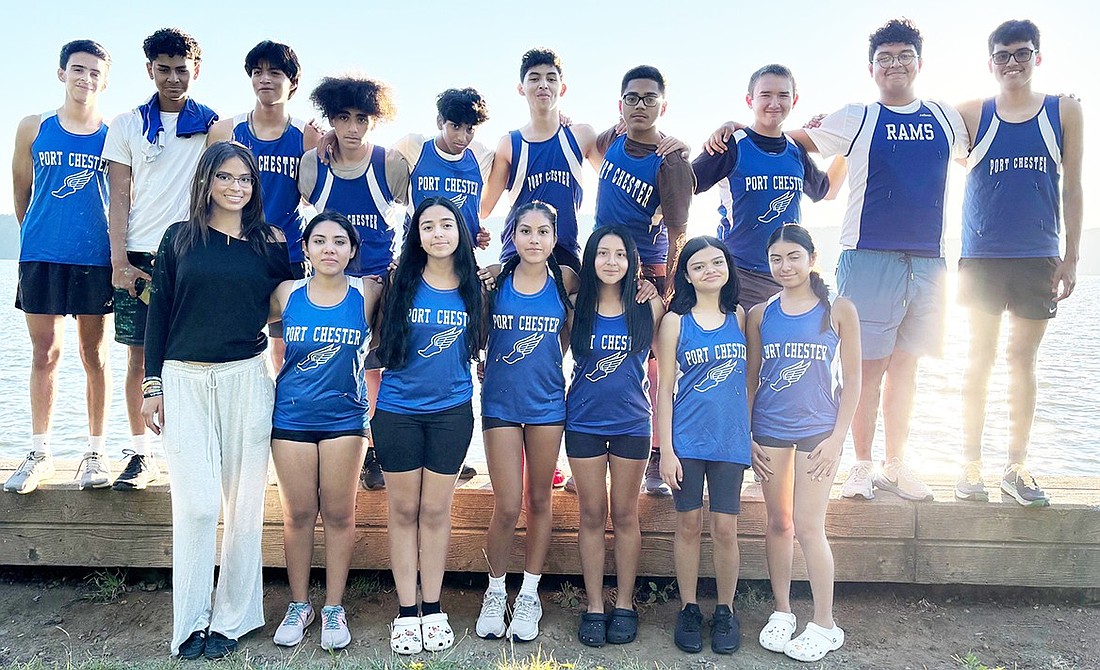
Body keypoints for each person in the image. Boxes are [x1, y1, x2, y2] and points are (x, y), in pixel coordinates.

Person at [788, 19, 969, 501]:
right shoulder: (857, 116)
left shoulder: (946, 117)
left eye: (903, 55)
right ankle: (862, 465)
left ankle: (896, 463)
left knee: (907, 368)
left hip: (929, 262)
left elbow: (985, 135)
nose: (894, 64)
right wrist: (734, 131)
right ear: (872, 68)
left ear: (920, 63)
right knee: (865, 369)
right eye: (885, 57)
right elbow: (788, 139)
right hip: (867, 258)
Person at [140, 141, 293, 660]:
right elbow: (158, 313)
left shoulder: (269, 243)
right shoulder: (179, 239)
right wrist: (151, 384)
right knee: (200, 505)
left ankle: (233, 617)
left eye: (245, 178)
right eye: (225, 177)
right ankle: (191, 620)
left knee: (245, 505)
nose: (235, 186)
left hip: (247, 378)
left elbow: (289, 302)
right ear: (205, 180)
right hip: (184, 379)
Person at [954, 20, 1083, 507]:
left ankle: (1016, 465)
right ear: (990, 63)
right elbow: (912, 122)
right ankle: (969, 464)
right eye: (1003, 55)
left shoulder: (1064, 111)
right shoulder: (970, 113)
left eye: (1022, 54)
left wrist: (1071, 256)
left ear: (1037, 57)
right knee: (978, 360)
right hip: (982, 257)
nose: (1012, 63)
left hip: (1038, 257)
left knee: (1021, 361)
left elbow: (1072, 188)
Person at [104, 27, 217, 491]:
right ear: (150, 69)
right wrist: (118, 262)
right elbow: (118, 197)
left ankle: (197, 453)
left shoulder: (213, 125)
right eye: (164, 69)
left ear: (196, 70)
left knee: (195, 358)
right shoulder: (127, 124)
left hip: (194, 254)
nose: (173, 78)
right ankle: (139, 454)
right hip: (140, 256)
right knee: (139, 357)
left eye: (182, 70)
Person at [372, 197, 483, 654]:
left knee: (436, 512)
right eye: (427, 226)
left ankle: (433, 606)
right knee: (402, 512)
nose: (438, 233)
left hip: (451, 413)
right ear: (416, 235)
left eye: (446, 225)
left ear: (460, 232)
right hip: (397, 411)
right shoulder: (399, 282)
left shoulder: (476, 286)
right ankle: (405, 610)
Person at [747, 225, 860, 662]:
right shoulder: (760, 314)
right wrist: (747, 433)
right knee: (778, 522)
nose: (785, 266)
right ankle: (782, 611)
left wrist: (837, 440)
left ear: (812, 258)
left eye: (793, 256)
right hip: (770, 429)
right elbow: (752, 379)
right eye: (776, 258)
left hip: (819, 431)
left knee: (811, 526)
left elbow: (853, 383)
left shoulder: (838, 310)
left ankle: (826, 624)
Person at [268, 212, 381, 650]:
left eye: (339, 241)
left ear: (352, 249)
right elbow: (236, 312)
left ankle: (334, 607)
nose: (329, 248)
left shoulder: (366, 292)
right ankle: (300, 604)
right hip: (291, 417)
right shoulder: (286, 293)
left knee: (338, 514)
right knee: (297, 515)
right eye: (320, 241)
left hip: (346, 420)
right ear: (308, 249)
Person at [6, 40, 114, 495]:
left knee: (95, 355)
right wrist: (40, 234)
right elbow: (20, 193)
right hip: (41, 256)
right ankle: (40, 451)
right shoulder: (34, 127)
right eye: (78, 69)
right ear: (61, 73)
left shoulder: (113, 134)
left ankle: (95, 451)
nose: (85, 78)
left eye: (94, 72)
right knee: (44, 354)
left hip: (95, 259)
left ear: (103, 80)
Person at [591, 65, 695, 498]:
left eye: (649, 98)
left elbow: (678, 237)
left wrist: (667, 290)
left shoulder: (671, 162)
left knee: (653, 366)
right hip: (600, 263)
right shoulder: (611, 139)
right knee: (597, 355)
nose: (640, 105)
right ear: (620, 104)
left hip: (646, 274)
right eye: (632, 98)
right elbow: (595, 153)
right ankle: (593, 447)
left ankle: (656, 453)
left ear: (663, 105)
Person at [475, 202, 575, 643]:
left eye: (543, 232)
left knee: (539, 500)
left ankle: (530, 592)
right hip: (500, 402)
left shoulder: (565, 281)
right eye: (525, 231)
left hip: (548, 404)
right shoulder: (496, 282)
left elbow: (571, 330)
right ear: (512, 236)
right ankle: (495, 590)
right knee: (508, 503)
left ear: (554, 238)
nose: (534, 239)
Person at [299, 74, 404, 492]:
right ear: (331, 120)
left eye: (363, 118)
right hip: (326, 285)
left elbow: (426, 209)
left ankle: (377, 452)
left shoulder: (390, 164)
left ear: (375, 120)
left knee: (378, 371)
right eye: (343, 118)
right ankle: (328, 446)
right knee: (327, 366)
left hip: (377, 282)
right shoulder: (312, 165)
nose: (353, 129)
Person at [564, 226, 663, 648]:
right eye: (602, 253)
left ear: (631, 261)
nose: (610, 261)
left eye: (619, 254)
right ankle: (593, 605)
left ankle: (624, 602)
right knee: (590, 514)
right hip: (583, 422)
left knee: (625, 515)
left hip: (632, 425)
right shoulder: (575, 305)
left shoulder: (648, 306)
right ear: (591, 260)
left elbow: (672, 361)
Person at [656, 236, 749, 656]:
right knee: (689, 525)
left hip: (730, 441)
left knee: (726, 528)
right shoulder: (677, 321)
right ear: (687, 276)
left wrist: (753, 436)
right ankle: (689, 607)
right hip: (687, 441)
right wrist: (667, 451)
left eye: (716, 262)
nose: (709, 270)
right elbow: (662, 391)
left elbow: (752, 382)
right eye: (698, 265)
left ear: (727, 267)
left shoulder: (741, 317)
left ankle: (726, 610)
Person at [207, 39, 322, 370]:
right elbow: (207, 192)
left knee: (288, 344)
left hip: (288, 251)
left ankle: (284, 415)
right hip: (236, 248)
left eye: (275, 72)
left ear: (293, 83)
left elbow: (316, 196)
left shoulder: (306, 135)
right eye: (257, 72)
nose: (265, 79)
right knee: (235, 338)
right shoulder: (226, 131)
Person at [695, 64, 845, 309]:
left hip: (788, 276)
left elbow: (826, 191)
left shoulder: (795, 149)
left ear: (794, 100)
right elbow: (685, 184)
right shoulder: (732, 145)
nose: (774, 103)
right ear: (749, 100)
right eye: (765, 95)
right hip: (741, 275)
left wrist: (846, 148)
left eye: (783, 95)